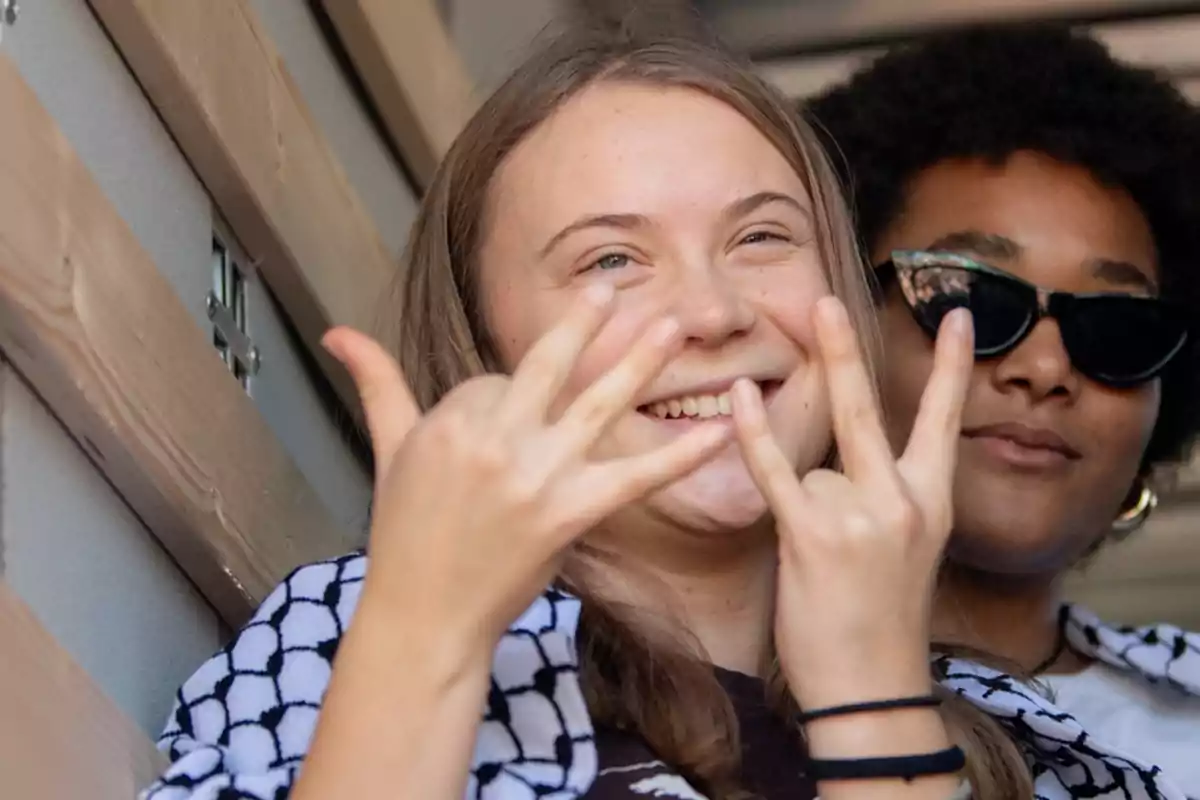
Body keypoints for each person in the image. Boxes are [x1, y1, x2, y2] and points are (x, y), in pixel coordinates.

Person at [137, 25, 1029, 800]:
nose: (715, 314)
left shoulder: (1026, 737)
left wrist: (875, 692)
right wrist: (427, 638)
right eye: (611, 260)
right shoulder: (342, 633)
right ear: (486, 348)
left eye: (762, 237)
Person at [807, 22, 1200, 800]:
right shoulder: (681, 714)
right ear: (835, 318)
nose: (1046, 369)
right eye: (971, 298)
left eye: (1115, 326)